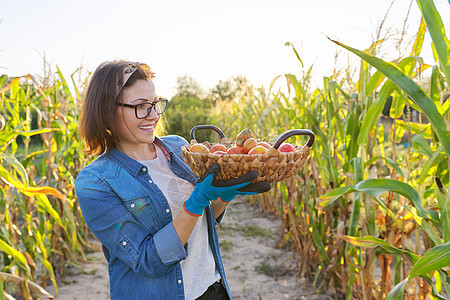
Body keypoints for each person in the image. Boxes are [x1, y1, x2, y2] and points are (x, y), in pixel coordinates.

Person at [75, 60, 270, 300]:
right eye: (141, 106)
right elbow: (148, 260)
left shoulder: (179, 148)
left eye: (155, 104)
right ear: (107, 110)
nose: (154, 115)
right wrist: (196, 201)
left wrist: (223, 197)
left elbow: (205, 217)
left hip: (212, 288)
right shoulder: (95, 182)